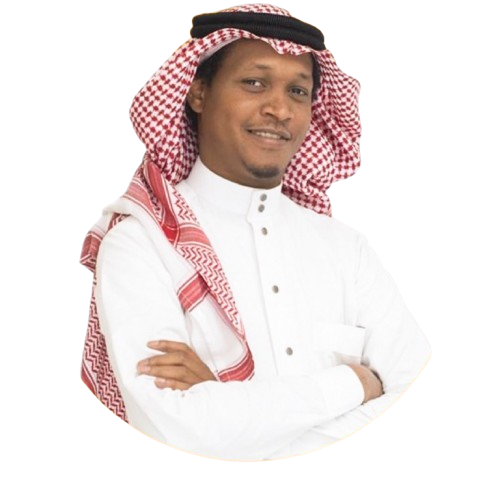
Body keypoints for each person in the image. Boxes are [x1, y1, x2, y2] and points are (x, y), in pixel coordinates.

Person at [79, 2, 432, 461]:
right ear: (198, 92)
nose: (280, 109)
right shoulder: (140, 244)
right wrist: (354, 384)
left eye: (298, 91)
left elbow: (409, 382)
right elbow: (177, 431)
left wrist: (227, 408)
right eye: (254, 83)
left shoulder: (348, 251)